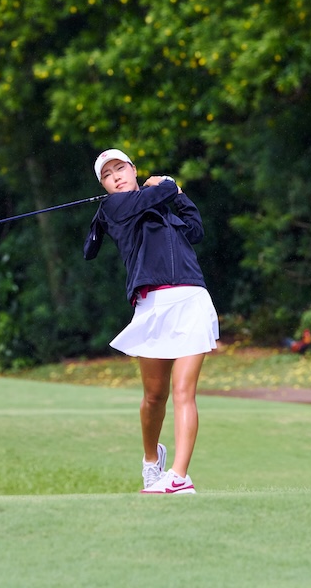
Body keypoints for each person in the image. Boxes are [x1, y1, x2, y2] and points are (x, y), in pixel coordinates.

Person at [83, 148, 219, 494]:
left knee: (184, 392)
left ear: (133, 169)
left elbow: (195, 230)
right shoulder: (115, 208)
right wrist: (169, 183)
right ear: (104, 186)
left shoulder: (160, 208)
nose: (115, 176)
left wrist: (180, 195)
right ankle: (150, 460)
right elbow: (163, 190)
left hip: (191, 298)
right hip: (153, 305)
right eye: (107, 175)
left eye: (120, 168)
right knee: (154, 397)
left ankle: (179, 477)